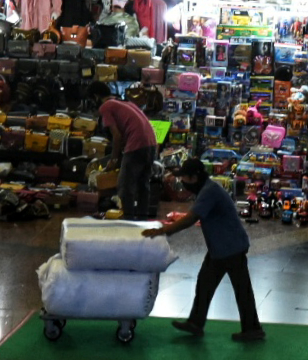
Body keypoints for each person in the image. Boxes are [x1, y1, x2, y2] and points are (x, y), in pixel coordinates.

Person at [143, 158, 264, 342]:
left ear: (195, 177)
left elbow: (191, 218)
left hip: (230, 247)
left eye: (185, 178)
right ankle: (195, 323)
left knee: (241, 289)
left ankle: (252, 329)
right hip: (221, 247)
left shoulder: (209, 191)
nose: (183, 183)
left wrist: (162, 231)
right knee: (205, 283)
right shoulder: (206, 189)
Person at [89, 81, 158, 220]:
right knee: (143, 184)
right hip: (151, 143)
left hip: (136, 144)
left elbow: (117, 136)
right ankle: (142, 219)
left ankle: (128, 221)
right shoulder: (126, 103)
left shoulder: (106, 107)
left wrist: (113, 160)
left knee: (125, 187)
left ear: (96, 97)